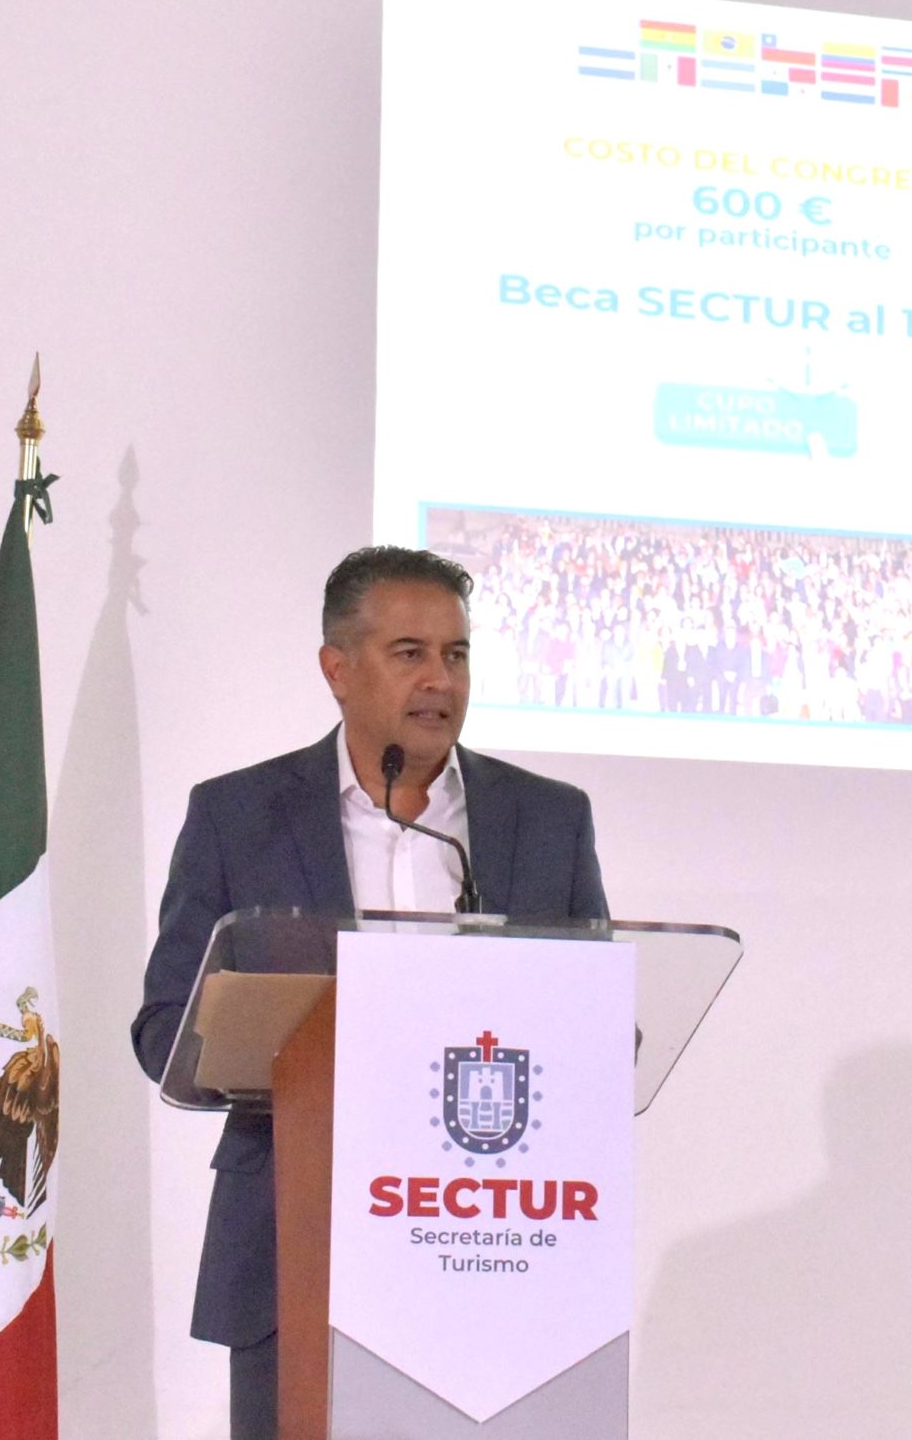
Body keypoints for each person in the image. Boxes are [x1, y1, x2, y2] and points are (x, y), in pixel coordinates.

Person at [129, 546, 608, 1440]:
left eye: (456, 655)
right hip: (296, 1245)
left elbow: (601, 1025)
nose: (441, 681)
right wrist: (264, 1034)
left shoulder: (548, 819)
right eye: (410, 653)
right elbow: (166, 1031)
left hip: (500, 1247)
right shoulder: (238, 815)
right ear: (337, 669)